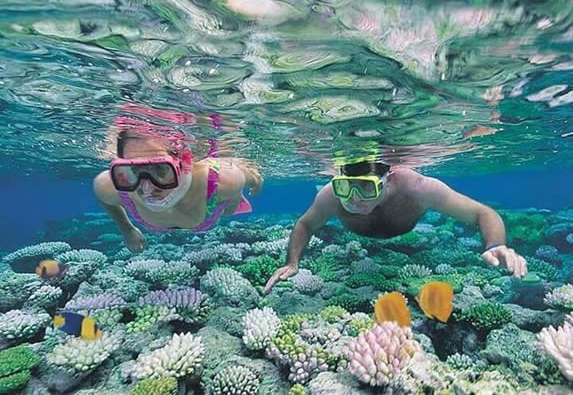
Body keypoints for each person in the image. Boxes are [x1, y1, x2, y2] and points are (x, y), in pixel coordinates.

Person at [264, 160, 527, 293]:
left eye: (367, 187)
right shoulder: (331, 195)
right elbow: (305, 224)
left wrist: (496, 244)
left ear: (387, 180)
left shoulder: (418, 188)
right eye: (346, 187)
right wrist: (292, 262)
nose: (354, 199)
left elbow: (483, 212)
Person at [93, 126, 263, 253]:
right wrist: (127, 229)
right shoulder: (111, 185)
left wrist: (255, 181)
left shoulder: (224, 181)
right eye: (133, 170)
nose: (147, 187)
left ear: (184, 164)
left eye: (160, 169)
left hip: (215, 200)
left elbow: (251, 177)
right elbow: (103, 199)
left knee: (229, 207)